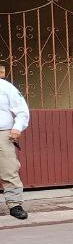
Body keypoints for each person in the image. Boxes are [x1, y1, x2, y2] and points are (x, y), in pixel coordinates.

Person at [0, 61, 30, 220]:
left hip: (3, 133)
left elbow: (22, 110)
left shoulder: (6, 87)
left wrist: (18, 127)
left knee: (9, 170)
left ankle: (15, 205)